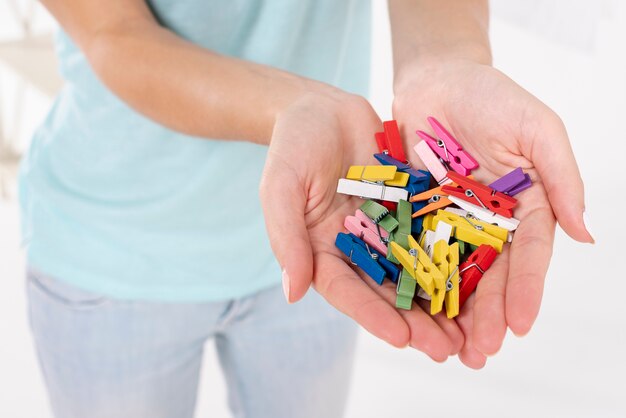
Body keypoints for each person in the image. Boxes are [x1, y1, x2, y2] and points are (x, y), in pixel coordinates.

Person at [20, 0, 594, 417]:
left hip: (323, 247)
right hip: (115, 258)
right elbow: (114, 34)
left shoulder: (363, 240)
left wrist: (444, 62)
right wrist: (290, 107)